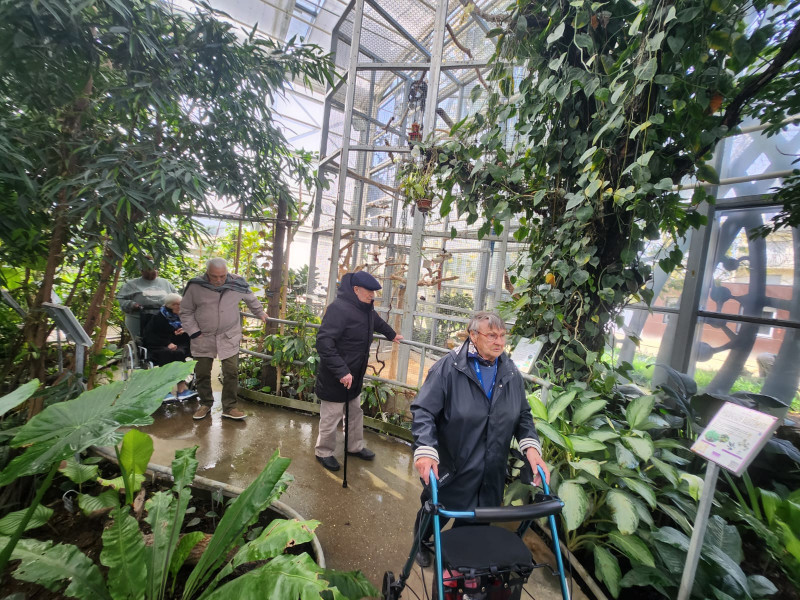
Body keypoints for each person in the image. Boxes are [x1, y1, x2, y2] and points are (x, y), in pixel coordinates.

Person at [410, 311, 550, 567]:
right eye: (492, 335)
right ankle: (420, 543)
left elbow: (523, 416)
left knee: (474, 522)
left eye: (502, 336)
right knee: (435, 513)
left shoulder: (509, 372)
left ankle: (460, 560)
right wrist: (426, 449)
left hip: (490, 470)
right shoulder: (449, 368)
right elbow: (424, 411)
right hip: (454, 467)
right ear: (473, 335)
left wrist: (531, 448)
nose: (499, 342)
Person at [314, 271, 403, 471]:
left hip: (354, 375)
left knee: (354, 412)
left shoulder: (366, 309)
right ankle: (324, 452)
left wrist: (391, 334)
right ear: (356, 290)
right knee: (331, 416)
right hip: (337, 376)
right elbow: (324, 343)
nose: (373, 295)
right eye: (369, 291)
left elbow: (377, 323)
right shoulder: (338, 309)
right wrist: (341, 371)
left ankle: (353, 447)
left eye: (374, 291)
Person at [180, 258, 267, 421]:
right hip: (203, 336)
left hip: (228, 335)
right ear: (207, 273)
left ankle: (229, 407)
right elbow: (185, 311)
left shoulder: (238, 284)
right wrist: (194, 332)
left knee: (231, 371)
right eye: (214, 277)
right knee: (202, 372)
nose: (219, 280)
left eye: (222, 276)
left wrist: (260, 313)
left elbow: (251, 299)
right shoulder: (195, 286)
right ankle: (205, 403)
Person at [142, 293, 196, 401]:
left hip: (179, 344)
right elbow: (150, 335)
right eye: (176, 304)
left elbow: (191, 328)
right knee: (166, 353)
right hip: (158, 344)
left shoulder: (183, 316)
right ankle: (165, 390)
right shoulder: (158, 317)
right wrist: (167, 343)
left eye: (181, 304)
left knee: (179, 353)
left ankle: (181, 389)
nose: (179, 307)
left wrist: (184, 330)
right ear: (170, 305)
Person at [116, 258, 177, 339]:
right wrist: (132, 305)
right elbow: (120, 298)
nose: (154, 271)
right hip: (139, 318)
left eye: (155, 268)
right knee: (143, 340)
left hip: (163, 317)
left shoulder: (165, 283)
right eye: (149, 269)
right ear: (142, 270)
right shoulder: (131, 284)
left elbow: (176, 296)